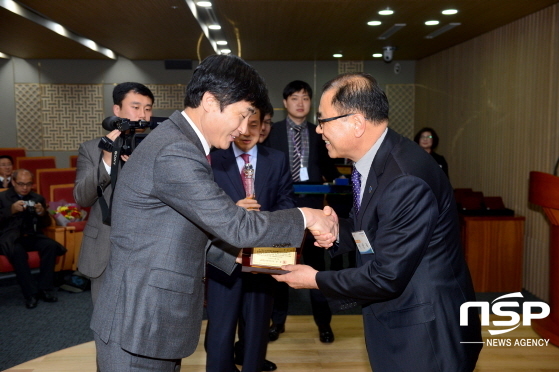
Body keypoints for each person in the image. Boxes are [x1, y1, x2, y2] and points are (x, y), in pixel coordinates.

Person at [90, 54, 337, 372]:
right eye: (241, 115)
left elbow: (181, 232)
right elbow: (236, 225)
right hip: (139, 323)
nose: (244, 128)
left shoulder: (177, 142)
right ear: (210, 101)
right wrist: (309, 216)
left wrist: (264, 262)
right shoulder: (176, 150)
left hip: (148, 322)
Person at [275, 73, 482, 372]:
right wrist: (338, 232)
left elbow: (387, 276)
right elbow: (378, 231)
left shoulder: (405, 179)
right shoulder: (376, 161)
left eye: (324, 120)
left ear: (357, 122)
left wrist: (315, 280)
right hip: (399, 317)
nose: (319, 129)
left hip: (425, 335)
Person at [205, 106, 294, 372]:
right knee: (221, 331)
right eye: (242, 124)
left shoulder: (277, 159)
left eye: (254, 125)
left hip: (264, 254)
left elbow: (287, 203)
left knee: (257, 330)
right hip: (224, 253)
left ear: (263, 127)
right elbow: (204, 206)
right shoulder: (213, 158)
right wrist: (234, 210)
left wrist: (263, 222)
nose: (247, 132)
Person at [264, 80, 340, 343]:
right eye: (294, 98)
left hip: (314, 207)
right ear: (285, 103)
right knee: (283, 267)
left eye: (305, 98)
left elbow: (330, 169)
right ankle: (277, 321)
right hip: (282, 207)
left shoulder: (319, 132)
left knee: (317, 268)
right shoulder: (271, 132)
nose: (300, 103)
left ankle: (324, 324)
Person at [73, 82, 154, 305]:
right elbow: (82, 197)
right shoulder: (92, 149)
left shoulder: (160, 149)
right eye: (136, 107)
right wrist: (107, 163)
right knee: (105, 324)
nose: (143, 115)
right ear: (117, 110)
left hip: (150, 251)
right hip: (105, 250)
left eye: (148, 109)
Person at [0, 169, 66, 308]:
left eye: (28, 184)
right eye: (21, 184)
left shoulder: (37, 198)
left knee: (50, 246)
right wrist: (10, 210)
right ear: (13, 182)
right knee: (17, 252)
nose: (25, 188)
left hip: (31, 236)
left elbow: (46, 224)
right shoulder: (3, 197)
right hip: (8, 238)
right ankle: (30, 293)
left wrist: (42, 213)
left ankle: (45, 288)